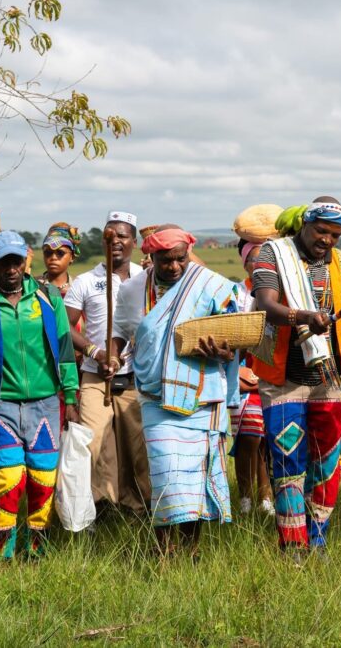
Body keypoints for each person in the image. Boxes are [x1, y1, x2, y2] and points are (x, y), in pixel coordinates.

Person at [252, 197, 341, 560]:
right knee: (288, 458)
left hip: (327, 378)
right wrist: (303, 317)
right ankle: (292, 542)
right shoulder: (272, 254)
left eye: (335, 235)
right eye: (321, 231)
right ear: (305, 225)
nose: (327, 240)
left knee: (326, 461)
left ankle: (317, 539)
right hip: (283, 379)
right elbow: (265, 304)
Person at [109, 226, 240, 558]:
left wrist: (224, 352)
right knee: (165, 474)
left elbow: (235, 334)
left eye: (181, 259)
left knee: (196, 479)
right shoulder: (132, 290)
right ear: (151, 257)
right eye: (166, 261)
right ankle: (163, 549)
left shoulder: (209, 284)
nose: (174, 267)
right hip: (156, 396)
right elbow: (122, 331)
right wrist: (112, 356)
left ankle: (192, 550)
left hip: (203, 396)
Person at [0, 231, 80, 560]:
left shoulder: (46, 296)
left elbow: (64, 348)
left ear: (25, 261)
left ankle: (37, 551)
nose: (11, 269)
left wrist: (70, 396)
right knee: (9, 477)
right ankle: (1, 553)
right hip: (2, 406)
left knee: (43, 478)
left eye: (16, 262)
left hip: (45, 404)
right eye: (4, 263)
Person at [64, 211, 151, 515]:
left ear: (134, 242)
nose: (115, 241)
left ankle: (137, 509)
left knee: (136, 448)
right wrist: (95, 352)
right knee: (94, 443)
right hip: (95, 377)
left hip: (136, 377)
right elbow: (65, 326)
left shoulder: (146, 278)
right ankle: (99, 508)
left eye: (122, 236)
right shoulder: (86, 281)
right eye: (109, 236)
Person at [230, 239, 274, 516]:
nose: (258, 265)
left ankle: (266, 498)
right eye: (253, 259)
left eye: (264, 259)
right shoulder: (235, 293)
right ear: (245, 263)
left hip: (271, 375)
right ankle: (245, 498)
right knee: (247, 438)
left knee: (266, 441)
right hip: (242, 376)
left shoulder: (277, 292)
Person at [36, 222, 80, 298]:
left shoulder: (79, 289)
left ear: (72, 257)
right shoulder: (32, 287)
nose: (53, 257)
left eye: (60, 253)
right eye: (48, 253)